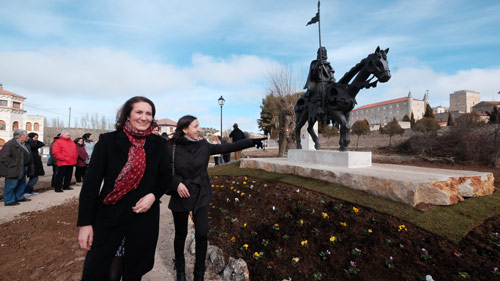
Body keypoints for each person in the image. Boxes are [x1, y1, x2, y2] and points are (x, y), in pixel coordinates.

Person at [77, 96, 172, 281]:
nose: (144, 117)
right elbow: (91, 185)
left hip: (143, 218)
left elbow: (166, 176)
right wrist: (85, 224)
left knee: (134, 271)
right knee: (105, 271)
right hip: (110, 217)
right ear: (127, 116)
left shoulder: (158, 144)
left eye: (149, 113)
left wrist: (153, 195)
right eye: (139, 112)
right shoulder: (108, 141)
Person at [167, 115, 265, 281]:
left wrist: (252, 142)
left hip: (201, 194)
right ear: (185, 129)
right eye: (195, 126)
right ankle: (181, 269)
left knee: (202, 234)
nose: (199, 129)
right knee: (181, 234)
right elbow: (164, 170)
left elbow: (229, 147)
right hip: (181, 194)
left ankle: (199, 274)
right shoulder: (171, 147)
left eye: (199, 126)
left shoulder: (203, 145)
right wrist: (176, 183)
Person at [0, 129, 34, 206]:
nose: (28, 137)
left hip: (24, 167)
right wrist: (14, 165)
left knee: (21, 183)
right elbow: (4, 157)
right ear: (19, 137)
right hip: (13, 169)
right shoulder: (10, 144)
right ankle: (9, 200)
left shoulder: (26, 144)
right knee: (11, 185)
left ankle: (20, 197)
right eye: (26, 136)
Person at [304, 46, 336, 116]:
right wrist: (318, 66)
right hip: (319, 83)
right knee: (321, 92)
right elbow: (314, 76)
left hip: (329, 84)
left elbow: (331, 74)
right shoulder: (314, 64)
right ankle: (318, 109)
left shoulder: (328, 65)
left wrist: (332, 79)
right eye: (322, 53)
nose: (323, 54)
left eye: (324, 52)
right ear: (318, 54)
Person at [24, 132, 45, 196]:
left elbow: (42, 144)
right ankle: (26, 191)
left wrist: (35, 140)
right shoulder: (28, 143)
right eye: (35, 138)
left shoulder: (35, 144)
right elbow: (33, 145)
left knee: (33, 177)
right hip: (32, 163)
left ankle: (30, 191)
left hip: (36, 163)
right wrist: (31, 140)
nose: (36, 139)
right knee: (34, 178)